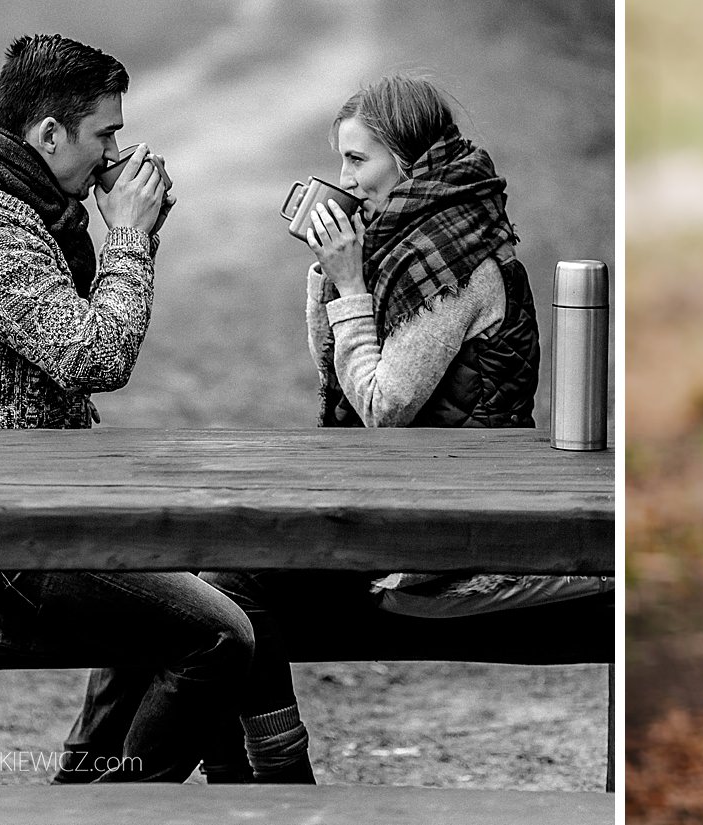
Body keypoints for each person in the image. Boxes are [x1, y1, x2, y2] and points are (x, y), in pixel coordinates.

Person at [193, 74, 606, 783]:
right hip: (409, 496)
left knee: (224, 582)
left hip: (453, 528)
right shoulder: (410, 236)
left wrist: (351, 285)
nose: (346, 179)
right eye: (342, 160)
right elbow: (334, 362)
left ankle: (278, 777)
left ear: (409, 161)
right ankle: (252, 781)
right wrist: (330, 272)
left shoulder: (456, 260)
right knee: (208, 586)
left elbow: (383, 404)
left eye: (359, 160)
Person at [0, 34, 254, 783]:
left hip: (37, 498)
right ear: (48, 133)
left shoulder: (23, 206)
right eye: (105, 134)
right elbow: (96, 354)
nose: (115, 152)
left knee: (189, 597)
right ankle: (110, 810)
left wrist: (133, 239)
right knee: (222, 638)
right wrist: (127, 237)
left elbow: (80, 336)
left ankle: (79, 796)